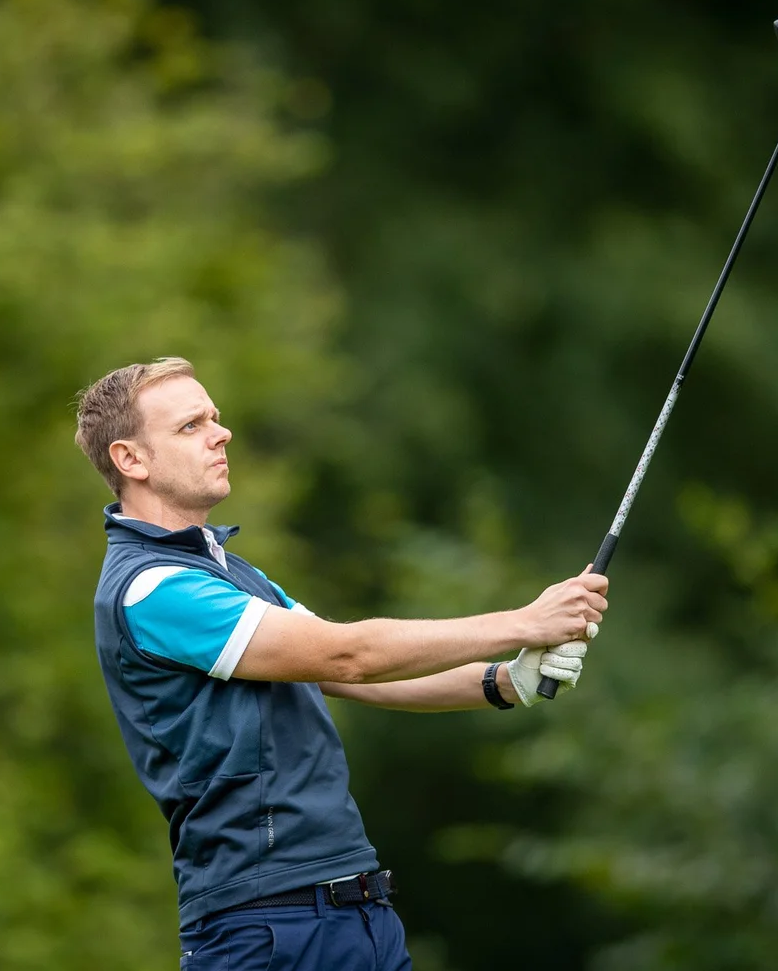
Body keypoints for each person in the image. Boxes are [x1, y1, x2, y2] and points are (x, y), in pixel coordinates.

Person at [74, 357, 609, 971]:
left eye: (215, 418)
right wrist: (526, 622)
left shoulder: (229, 573)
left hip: (355, 908)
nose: (222, 434)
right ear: (131, 459)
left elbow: (337, 671)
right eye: (191, 425)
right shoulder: (153, 588)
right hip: (267, 923)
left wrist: (506, 681)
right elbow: (348, 654)